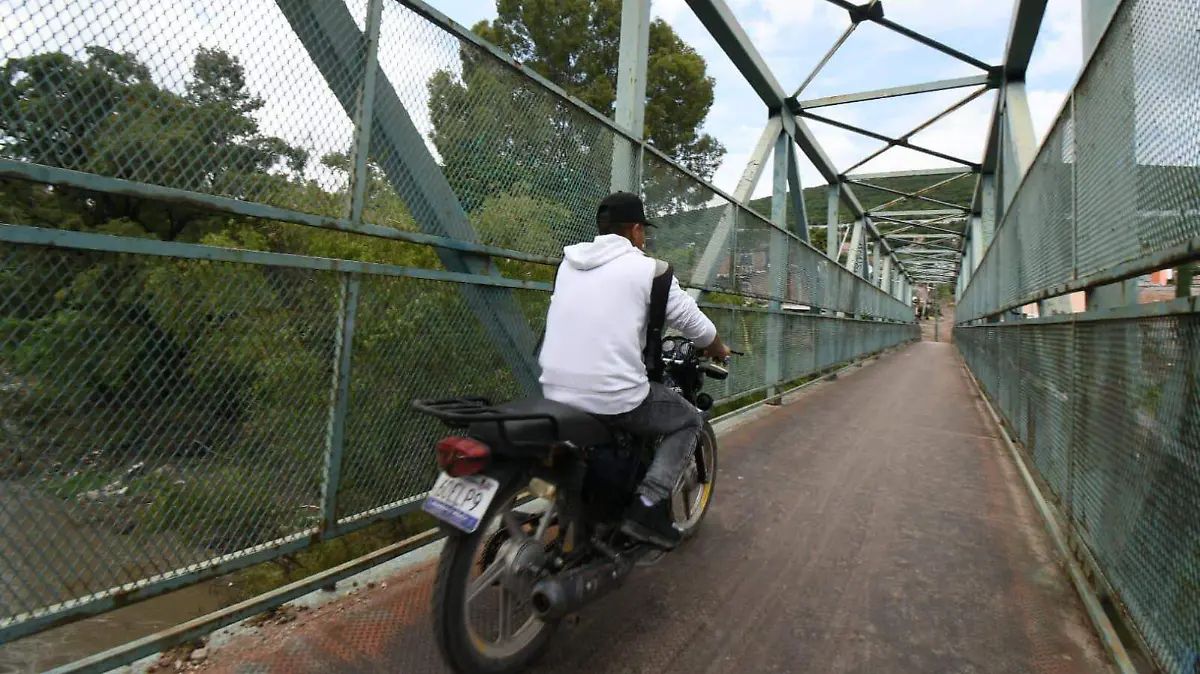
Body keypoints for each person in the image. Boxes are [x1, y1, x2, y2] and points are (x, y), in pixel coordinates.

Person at [537, 191, 731, 549]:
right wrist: (718, 349)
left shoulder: (568, 263)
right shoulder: (649, 271)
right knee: (689, 420)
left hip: (554, 392)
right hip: (614, 397)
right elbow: (698, 329)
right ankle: (648, 506)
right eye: (645, 232)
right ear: (636, 230)